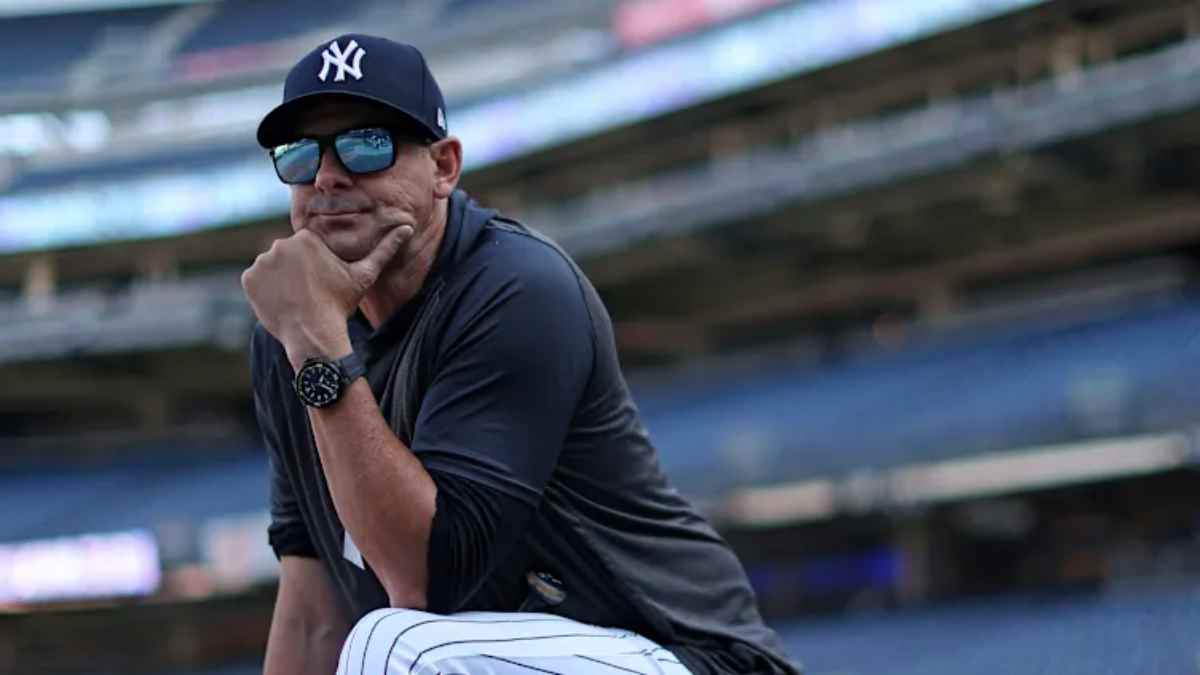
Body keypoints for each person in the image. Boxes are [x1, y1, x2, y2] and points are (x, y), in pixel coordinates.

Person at [243, 33, 800, 675]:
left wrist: (317, 348)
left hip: (683, 655)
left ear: (444, 167)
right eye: (300, 155)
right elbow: (314, 614)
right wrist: (307, 339)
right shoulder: (286, 335)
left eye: (367, 145)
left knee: (396, 643)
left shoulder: (514, 286)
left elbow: (426, 582)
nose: (328, 176)